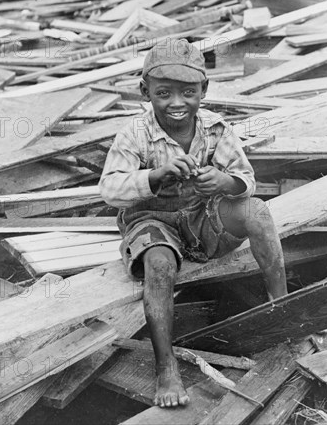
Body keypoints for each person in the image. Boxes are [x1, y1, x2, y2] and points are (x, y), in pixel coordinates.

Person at [99, 38, 287, 408]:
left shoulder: (215, 129)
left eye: (188, 92)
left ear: (204, 90)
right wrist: (155, 176)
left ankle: (281, 310)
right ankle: (166, 366)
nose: (176, 103)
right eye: (163, 93)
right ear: (145, 91)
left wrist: (224, 182)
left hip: (201, 220)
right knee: (159, 265)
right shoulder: (135, 133)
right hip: (152, 221)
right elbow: (110, 190)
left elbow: (245, 179)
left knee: (258, 211)